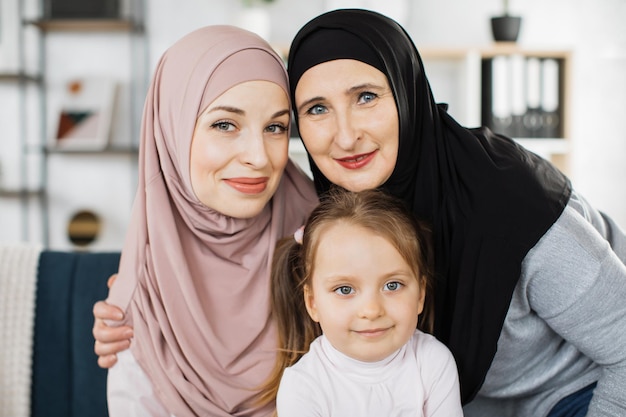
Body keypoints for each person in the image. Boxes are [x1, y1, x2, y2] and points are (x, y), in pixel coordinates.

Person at [95, 8, 626, 417]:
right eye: (316, 110)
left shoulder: (513, 199)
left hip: (575, 396)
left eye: (367, 96)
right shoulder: (327, 213)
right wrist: (135, 309)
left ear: (407, 93)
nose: (345, 135)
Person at [103, 25, 318, 416]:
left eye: (275, 127)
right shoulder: (140, 300)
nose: (259, 156)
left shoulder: (327, 241)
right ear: (172, 130)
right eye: (225, 124)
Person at [264, 187, 463, 416]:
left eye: (392, 285)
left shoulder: (433, 362)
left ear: (420, 295)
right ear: (313, 303)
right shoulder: (302, 386)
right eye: (345, 289)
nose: (371, 310)